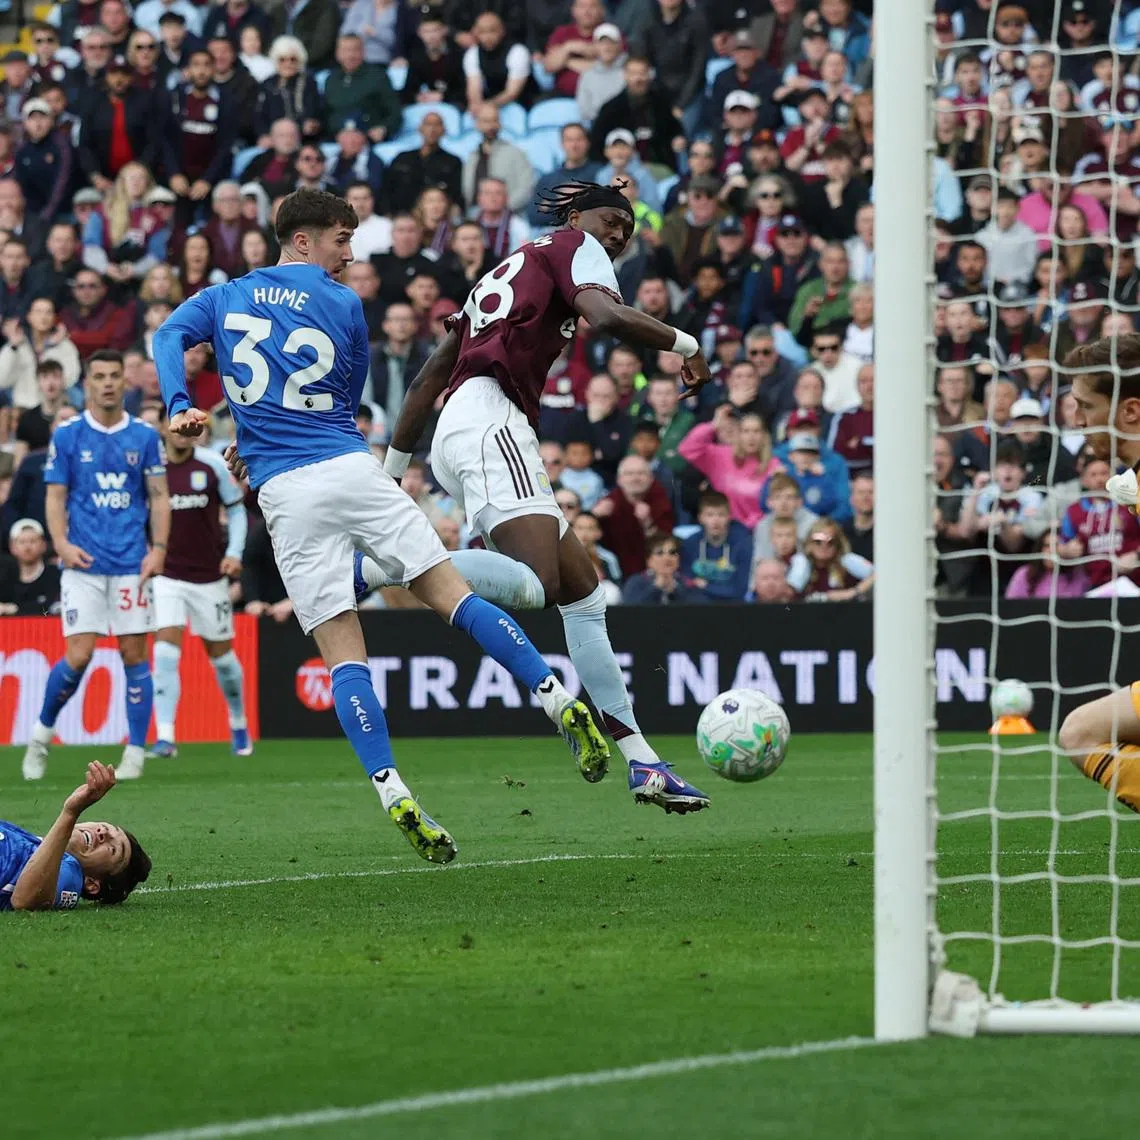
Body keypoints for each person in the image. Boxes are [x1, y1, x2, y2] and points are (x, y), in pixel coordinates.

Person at [153, 189, 609, 863]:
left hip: (285, 490)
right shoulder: (342, 305)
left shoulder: (223, 297)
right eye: (342, 238)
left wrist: (182, 406)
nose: (349, 252)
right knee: (451, 594)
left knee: (343, 651)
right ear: (304, 241)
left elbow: (167, 337)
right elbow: (342, 403)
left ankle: (393, 789)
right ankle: (553, 695)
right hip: (349, 467)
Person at [369, 179, 715, 813]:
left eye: (628, 231)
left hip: (464, 425)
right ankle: (384, 564)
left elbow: (426, 380)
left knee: (583, 596)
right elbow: (607, 317)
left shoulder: (504, 273)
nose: (619, 237)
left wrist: (391, 479)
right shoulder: (575, 245)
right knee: (537, 585)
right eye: (614, 222)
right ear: (579, 216)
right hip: (492, 420)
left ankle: (643, 761)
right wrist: (688, 345)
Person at [21, 350, 170, 783]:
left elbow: (159, 496)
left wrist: (158, 548)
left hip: (130, 564)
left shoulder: (144, 436)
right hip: (83, 565)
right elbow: (55, 496)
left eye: (114, 376)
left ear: (125, 382)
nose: (107, 383)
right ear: (86, 383)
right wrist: (61, 544)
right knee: (80, 655)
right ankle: (40, 737)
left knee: (133, 653)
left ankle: (136, 753)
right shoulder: (68, 436)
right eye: (99, 376)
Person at [149, 410, 252, 759]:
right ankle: (165, 737)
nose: (183, 431)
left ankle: (238, 721)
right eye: (176, 425)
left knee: (223, 661)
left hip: (209, 577)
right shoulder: (152, 469)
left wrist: (235, 552)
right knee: (164, 652)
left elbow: (237, 509)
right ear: (165, 427)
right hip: (167, 575)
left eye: (189, 426)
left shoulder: (211, 465)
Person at [1, 761, 151, 910]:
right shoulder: (28, 841)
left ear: (91, 883)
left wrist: (71, 813)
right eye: (104, 827)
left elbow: (24, 901)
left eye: (113, 849)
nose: (102, 833)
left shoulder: (70, 875)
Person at [679, 489, 753, 602]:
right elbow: (687, 585)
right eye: (710, 515)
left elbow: (740, 589)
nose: (715, 520)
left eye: (721, 514)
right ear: (700, 518)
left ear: (729, 517)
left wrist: (706, 586)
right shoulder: (690, 544)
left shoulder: (743, 544)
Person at [622, 534, 707, 605]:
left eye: (672, 553)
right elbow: (630, 612)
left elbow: (700, 611)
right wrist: (657, 588)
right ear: (649, 560)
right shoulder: (636, 582)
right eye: (659, 553)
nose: (667, 558)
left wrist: (676, 589)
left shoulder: (687, 583)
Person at [0, 517, 61, 616]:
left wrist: (15, 609)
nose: (27, 547)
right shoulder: (5, 579)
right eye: (22, 542)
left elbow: (53, 607)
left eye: (33, 541)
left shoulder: (55, 576)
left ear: (43, 545)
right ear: (12, 547)